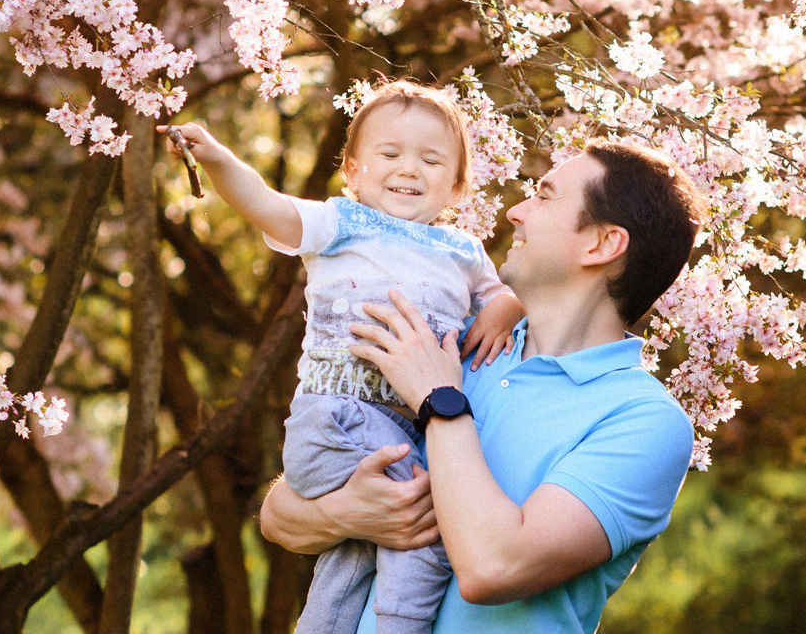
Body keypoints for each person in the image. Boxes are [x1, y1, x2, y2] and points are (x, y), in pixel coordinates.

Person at [260, 138, 707, 634]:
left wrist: (440, 400)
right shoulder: (457, 345)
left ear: (601, 244)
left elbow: (494, 567)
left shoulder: (645, 423)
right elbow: (278, 518)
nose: (516, 211)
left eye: (544, 195)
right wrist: (347, 514)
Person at [160, 80, 525, 634]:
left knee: (353, 557)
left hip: (401, 429)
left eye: (431, 160)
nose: (409, 169)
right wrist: (220, 159)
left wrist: (504, 307)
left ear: (456, 187)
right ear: (352, 171)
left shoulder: (464, 250)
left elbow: (503, 294)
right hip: (338, 418)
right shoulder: (341, 223)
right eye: (389, 154)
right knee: (427, 523)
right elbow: (267, 205)